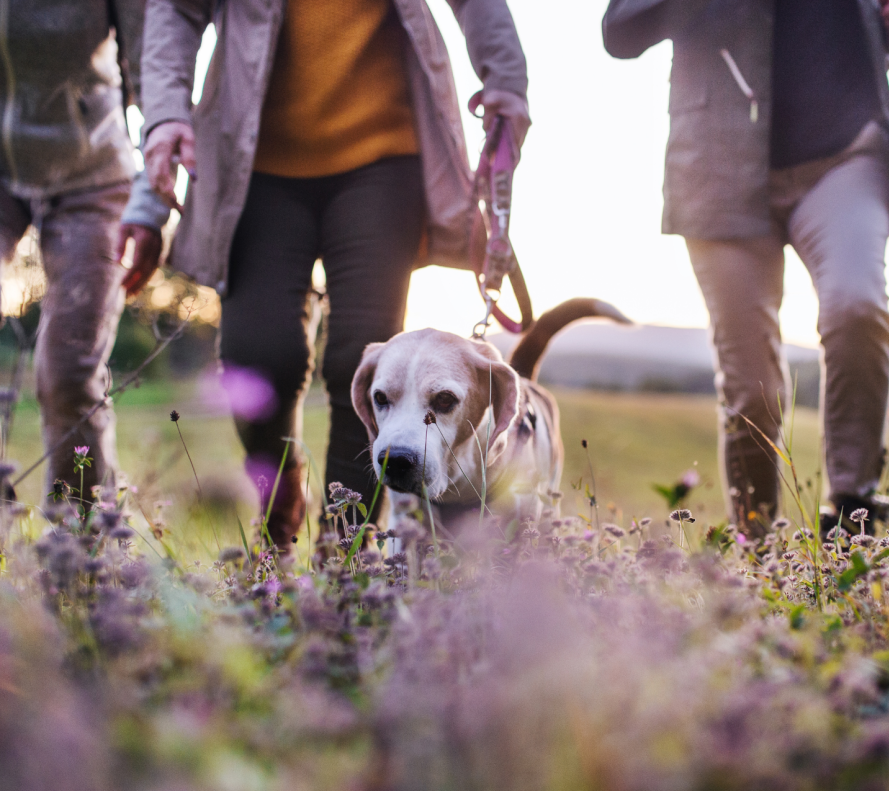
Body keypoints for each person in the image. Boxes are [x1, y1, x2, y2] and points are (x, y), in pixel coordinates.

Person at [140, 0, 530, 552]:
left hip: (384, 157)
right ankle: (279, 494)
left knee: (364, 360)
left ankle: (346, 552)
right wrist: (164, 113)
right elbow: (175, 10)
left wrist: (506, 81)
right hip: (255, 160)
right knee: (258, 353)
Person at [603, 0, 889, 534]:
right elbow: (620, 31)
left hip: (846, 153)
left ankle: (852, 508)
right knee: (751, 388)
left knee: (856, 304)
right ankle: (757, 547)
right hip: (717, 168)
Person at [0, 0, 169, 499]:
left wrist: (151, 201)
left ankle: (81, 550)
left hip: (92, 174)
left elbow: (153, 67)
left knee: (69, 372)